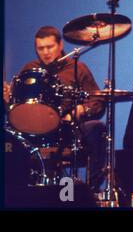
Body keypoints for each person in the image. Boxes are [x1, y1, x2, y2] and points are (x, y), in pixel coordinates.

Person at [4, 26, 106, 193]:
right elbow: (17, 108)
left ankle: (91, 191)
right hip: (33, 132)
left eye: (49, 47)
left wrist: (79, 110)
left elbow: (97, 101)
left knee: (96, 128)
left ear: (60, 45)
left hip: (67, 130)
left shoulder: (77, 68)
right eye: (40, 48)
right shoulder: (29, 70)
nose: (45, 52)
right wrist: (8, 100)